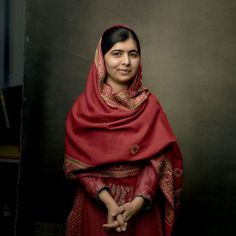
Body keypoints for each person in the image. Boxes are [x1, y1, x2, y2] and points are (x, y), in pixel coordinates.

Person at [64, 25, 183, 236]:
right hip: (96, 206)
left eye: (133, 54)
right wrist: (109, 202)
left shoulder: (150, 105)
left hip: (141, 208)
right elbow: (78, 167)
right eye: (117, 53)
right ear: (102, 59)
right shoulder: (83, 109)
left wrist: (138, 202)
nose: (126, 62)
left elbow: (158, 161)